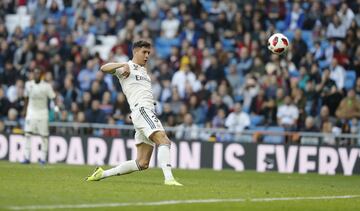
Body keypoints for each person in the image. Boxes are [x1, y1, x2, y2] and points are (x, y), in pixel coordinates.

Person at [86, 40, 183, 186]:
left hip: (144, 111)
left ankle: (102, 173)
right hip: (142, 110)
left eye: (149, 53)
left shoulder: (144, 72)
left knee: (143, 163)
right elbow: (103, 68)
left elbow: (139, 92)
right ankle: (169, 179)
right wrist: (122, 64)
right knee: (164, 140)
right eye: (144, 52)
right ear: (135, 52)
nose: (147, 56)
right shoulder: (127, 67)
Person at [23, 68, 57, 164]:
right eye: (35, 73)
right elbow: (26, 98)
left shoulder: (46, 86)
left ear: (41, 75)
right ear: (33, 74)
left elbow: (53, 98)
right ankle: (26, 157)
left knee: (44, 136)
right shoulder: (28, 84)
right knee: (27, 135)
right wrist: (24, 110)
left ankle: (42, 158)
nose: (36, 75)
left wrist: (55, 109)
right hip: (31, 112)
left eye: (38, 73)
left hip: (43, 113)